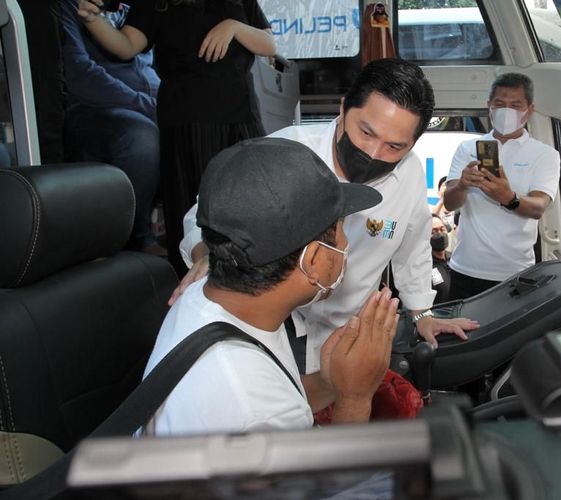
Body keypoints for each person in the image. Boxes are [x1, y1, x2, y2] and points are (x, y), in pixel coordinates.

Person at [176, 58, 479, 374]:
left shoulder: (410, 173)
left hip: (345, 333)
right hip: (270, 327)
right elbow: (204, 212)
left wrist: (422, 315)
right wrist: (205, 254)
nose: (374, 154)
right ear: (344, 107)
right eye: (365, 132)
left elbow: (413, 250)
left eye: (394, 146)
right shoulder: (285, 151)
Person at [139, 137, 392, 437]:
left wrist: (332, 381)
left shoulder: (206, 297)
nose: (346, 243)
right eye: (340, 229)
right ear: (312, 260)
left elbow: (283, 396)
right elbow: (335, 485)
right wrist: (355, 399)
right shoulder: (253, 411)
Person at [76, 0, 276, 272]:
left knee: (253, 205)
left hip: (242, 119)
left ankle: (256, 281)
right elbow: (126, 45)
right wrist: (92, 19)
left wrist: (235, 27)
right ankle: (195, 291)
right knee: (195, 217)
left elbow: (268, 44)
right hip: (186, 124)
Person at [443, 73, 560, 300]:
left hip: (515, 272)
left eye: (515, 105)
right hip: (465, 267)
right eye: (500, 104)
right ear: (489, 106)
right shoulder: (467, 148)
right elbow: (449, 202)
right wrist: (463, 186)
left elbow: (538, 207)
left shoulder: (545, 155)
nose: (507, 111)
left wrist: (509, 197)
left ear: (529, 109)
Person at [62, 0, 163, 254]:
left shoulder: (133, 11)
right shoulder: (70, 8)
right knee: (141, 137)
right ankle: (134, 238)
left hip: (149, 104)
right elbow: (81, 75)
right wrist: (148, 105)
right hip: (96, 109)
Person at [430, 215, 452, 304]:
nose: (439, 234)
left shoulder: (454, 259)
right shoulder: (425, 266)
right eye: (433, 231)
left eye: (442, 229)